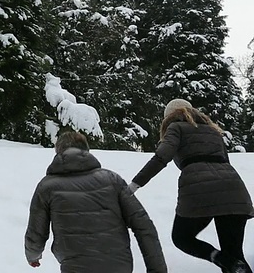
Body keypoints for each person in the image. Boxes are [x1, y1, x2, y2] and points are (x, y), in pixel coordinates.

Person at [129, 99, 254, 273]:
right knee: (234, 255)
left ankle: (218, 257)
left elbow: (161, 157)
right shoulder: (213, 130)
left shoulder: (176, 127)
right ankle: (229, 262)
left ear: (169, 116)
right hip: (234, 190)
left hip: (199, 191)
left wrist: (134, 185)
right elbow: (226, 160)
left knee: (181, 237)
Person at [24, 131, 167, 273]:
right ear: (86, 151)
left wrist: (33, 255)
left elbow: (36, 231)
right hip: (118, 265)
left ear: (58, 152)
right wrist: (157, 269)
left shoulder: (46, 187)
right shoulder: (112, 180)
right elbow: (143, 225)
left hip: (75, 266)